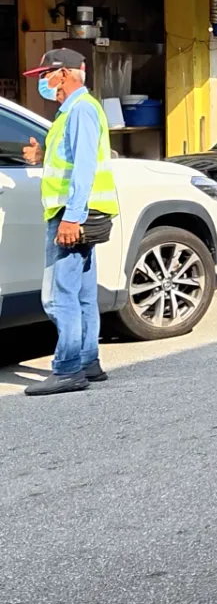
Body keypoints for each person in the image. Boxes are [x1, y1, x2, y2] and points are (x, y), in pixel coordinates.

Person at [21, 49, 119, 396]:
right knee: (81, 294)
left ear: (63, 74)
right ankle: (88, 362)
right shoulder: (72, 112)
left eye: (44, 76)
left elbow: (83, 168)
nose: (43, 84)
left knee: (57, 296)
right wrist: (42, 155)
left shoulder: (79, 110)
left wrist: (71, 217)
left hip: (72, 216)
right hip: (79, 214)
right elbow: (71, 156)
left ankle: (67, 369)